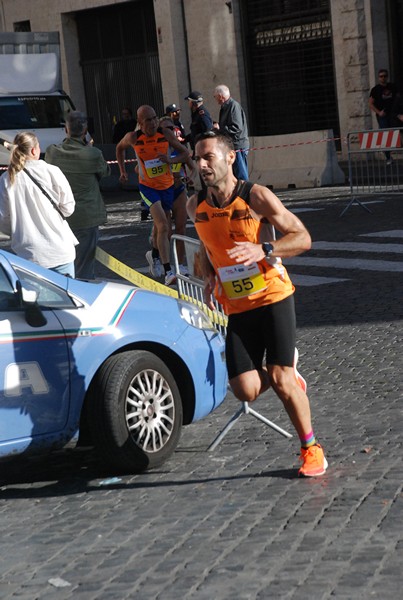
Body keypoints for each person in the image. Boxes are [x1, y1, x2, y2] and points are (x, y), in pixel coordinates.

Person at [187, 131, 328, 478]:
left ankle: (312, 449)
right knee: (245, 390)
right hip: (236, 305)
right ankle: (289, 371)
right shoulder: (196, 206)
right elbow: (208, 246)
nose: (201, 164)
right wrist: (208, 274)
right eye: (197, 158)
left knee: (280, 381)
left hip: (272, 296)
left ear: (230, 158)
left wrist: (263, 249)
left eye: (209, 157)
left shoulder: (256, 196)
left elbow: (302, 237)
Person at [116, 105, 193, 285]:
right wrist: (122, 171)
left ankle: (155, 254)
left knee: (162, 229)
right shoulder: (133, 138)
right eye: (148, 120)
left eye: (154, 118)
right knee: (164, 226)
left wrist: (171, 160)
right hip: (148, 188)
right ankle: (168, 272)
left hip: (167, 186)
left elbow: (185, 153)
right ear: (140, 123)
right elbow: (119, 148)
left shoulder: (165, 134)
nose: (153, 123)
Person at [0, 132, 77, 276]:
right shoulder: (52, 171)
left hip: (28, 254)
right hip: (59, 250)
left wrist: (19, 228)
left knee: (34, 297)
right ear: (34, 150)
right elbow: (68, 208)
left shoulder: (6, 179)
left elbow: (3, 219)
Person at [45, 111, 111, 279]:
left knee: (63, 263)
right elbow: (106, 172)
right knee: (84, 266)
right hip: (86, 217)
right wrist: (88, 148)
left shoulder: (52, 152)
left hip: (60, 218)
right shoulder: (93, 154)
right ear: (85, 131)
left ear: (66, 130)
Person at [145, 116, 194, 279]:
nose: (169, 132)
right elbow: (140, 168)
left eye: (171, 129)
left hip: (178, 190)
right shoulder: (154, 147)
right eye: (165, 129)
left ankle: (179, 264)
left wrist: (190, 176)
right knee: (164, 229)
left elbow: (192, 166)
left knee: (181, 228)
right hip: (159, 191)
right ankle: (155, 255)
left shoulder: (179, 148)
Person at [213, 84, 249, 180]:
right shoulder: (226, 107)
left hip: (237, 146)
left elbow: (236, 128)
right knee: (235, 176)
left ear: (220, 96)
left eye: (215, 96)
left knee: (241, 175)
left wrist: (219, 128)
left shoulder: (233, 106)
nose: (215, 99)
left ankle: (245, 194)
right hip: (232, 146)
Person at [369, 69, 397, 164]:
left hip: (393, 114)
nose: (383, 78)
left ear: (387, 77)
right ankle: (388, 157)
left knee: (396, 131)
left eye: (385, 76)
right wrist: (379, 112)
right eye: (381, 76)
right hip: (382, 115)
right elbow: (371, 104)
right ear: (378, 78)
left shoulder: (392, 87)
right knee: (385, 134)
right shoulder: (375, 89)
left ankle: (394, 150)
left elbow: (398, 99)